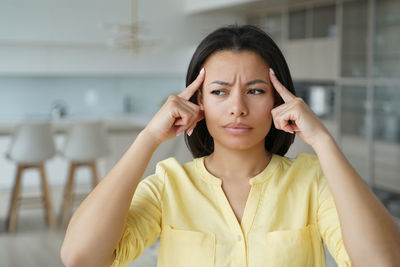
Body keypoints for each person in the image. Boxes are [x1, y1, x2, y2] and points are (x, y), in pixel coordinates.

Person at [60, 25, 400, 267]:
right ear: (198, 101)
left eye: (255, 90)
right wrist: (148, 138)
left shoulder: (311, 182)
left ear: (278, 100)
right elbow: (81, 257)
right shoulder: (169, 185)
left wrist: (323, 141)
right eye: (220, 91)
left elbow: (383, 261)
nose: (237, 107)